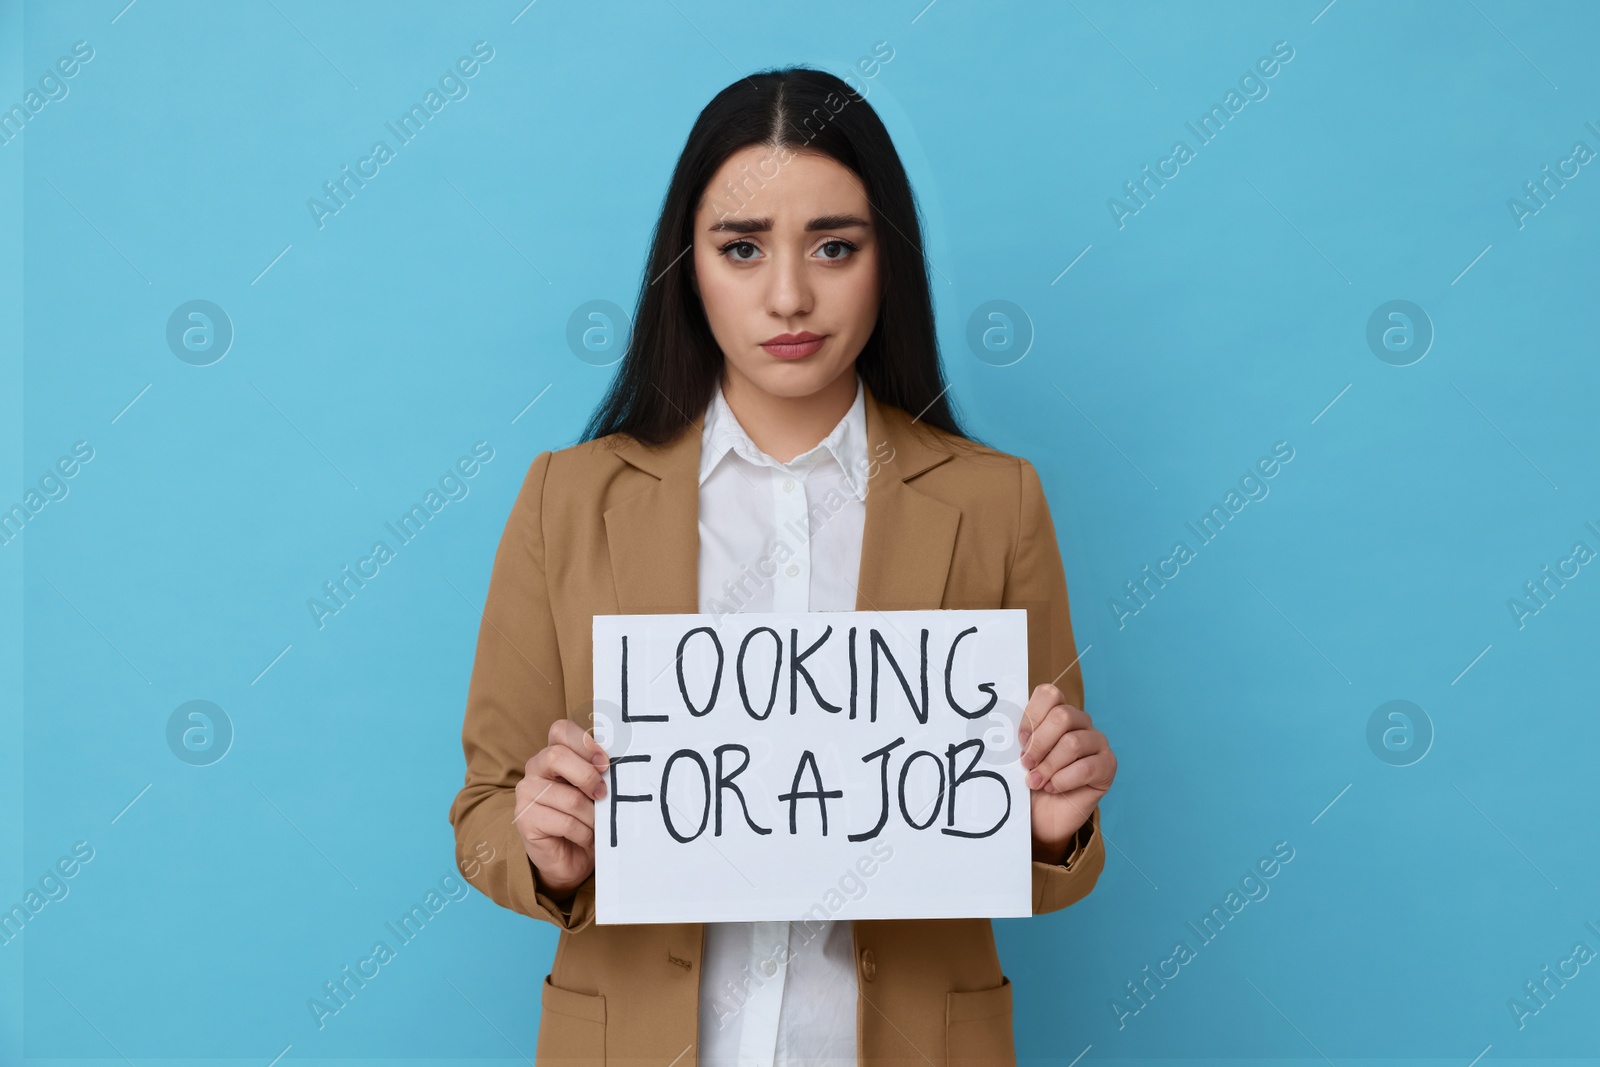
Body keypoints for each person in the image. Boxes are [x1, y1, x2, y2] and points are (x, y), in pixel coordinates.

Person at [448, 66, 1117, 1066]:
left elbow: (1037, 853)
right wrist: (545, 848)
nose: (790, 293)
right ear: (690, 264)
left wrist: (1051, 828)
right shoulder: (567, 497)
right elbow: (484, 808)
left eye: (834, 246)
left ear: (886, 260)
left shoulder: (993, 501)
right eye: (742, 247)